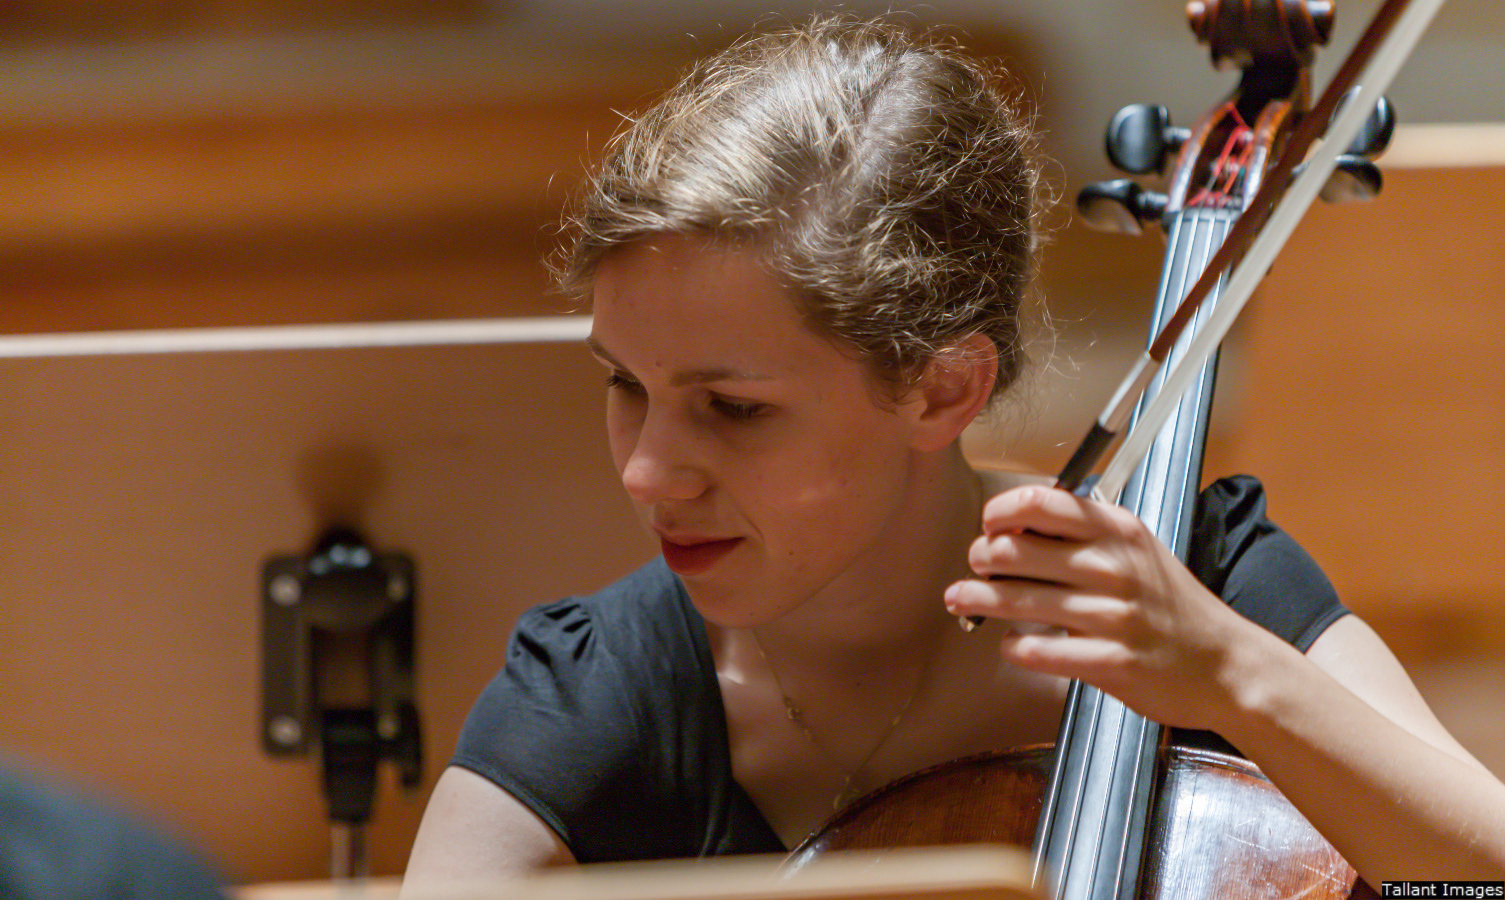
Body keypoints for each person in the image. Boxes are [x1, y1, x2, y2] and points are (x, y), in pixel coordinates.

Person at [403, 17, 1505, 886]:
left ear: (942, 387)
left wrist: (1231, 676)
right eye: (624, 385)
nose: (646, 471)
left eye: (732, 408)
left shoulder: (1197, 583)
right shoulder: (602, 694)